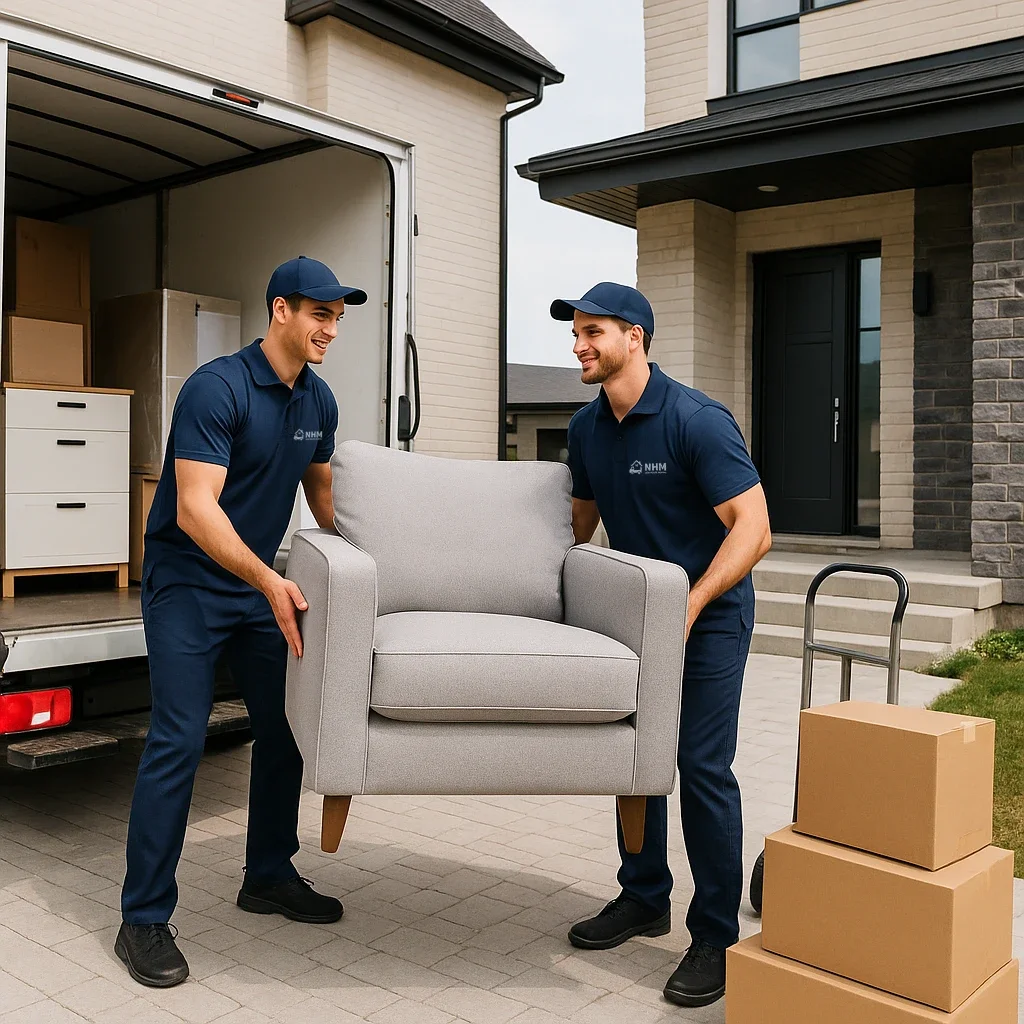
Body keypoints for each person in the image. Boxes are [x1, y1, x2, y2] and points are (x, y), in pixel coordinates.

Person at [115, 256, 366, 989]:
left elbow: (327, 503)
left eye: (338, 319)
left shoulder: (318, 402)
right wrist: (268, 578)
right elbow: (194, 509)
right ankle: (143, 917)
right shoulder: (216, 388)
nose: (330, 329)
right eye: (320, 314)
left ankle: (267, 873)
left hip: (256, 583)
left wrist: (384, 567)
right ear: (280, 310)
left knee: (286, 725)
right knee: (179, 736)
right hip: (190, 581)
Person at [552, 282, 772, 1009]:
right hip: (633, 619)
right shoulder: (586, 429)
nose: (580, 344)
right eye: (576, 333)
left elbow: (753, 528)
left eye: (594, 332)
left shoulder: (695, 420)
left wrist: (694, 600)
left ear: (636, 337)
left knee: (700, 765)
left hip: (708, 617)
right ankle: (644, 896)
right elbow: (576, 527)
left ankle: (714, 935)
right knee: (634, 755)